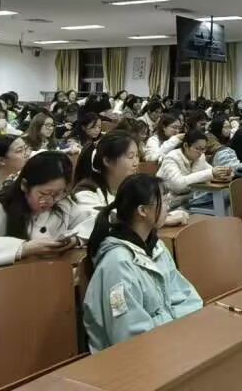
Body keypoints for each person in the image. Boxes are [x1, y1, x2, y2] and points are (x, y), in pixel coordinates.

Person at [81, 174, 202, 352]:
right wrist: (174, 323)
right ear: (143, 211)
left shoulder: (156, 247)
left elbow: (188, 298)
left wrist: (176, 326)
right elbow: (129, 336)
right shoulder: (118, 263)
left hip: (165, 341)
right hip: (130, 357)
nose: (167, 207)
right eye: (163, 201)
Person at [0, 152, 94, 269]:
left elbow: (94, 220)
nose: (50, 200)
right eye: (44, 193)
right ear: (24, 185)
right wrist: (23, 248)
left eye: (58, 193)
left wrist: (74, 239)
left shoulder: (62, 202)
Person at [74, 131, 188, 236]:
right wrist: (154, 219)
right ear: (107, 161)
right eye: (130, 157)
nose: (136, 163)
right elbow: (95, 223)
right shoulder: (85, 191)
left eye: (137, 156)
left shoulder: (132, 188)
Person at [159, 129, 232, 213]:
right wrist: (211, 173)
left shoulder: (199, 157)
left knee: (225, 198)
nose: (201, 152)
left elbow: (210, 171)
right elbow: (178, 185)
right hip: (168, 204)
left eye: (203, 149)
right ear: (186, 146)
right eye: (198, 148)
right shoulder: (171, 158)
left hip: (190, 200)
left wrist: (223, 174)